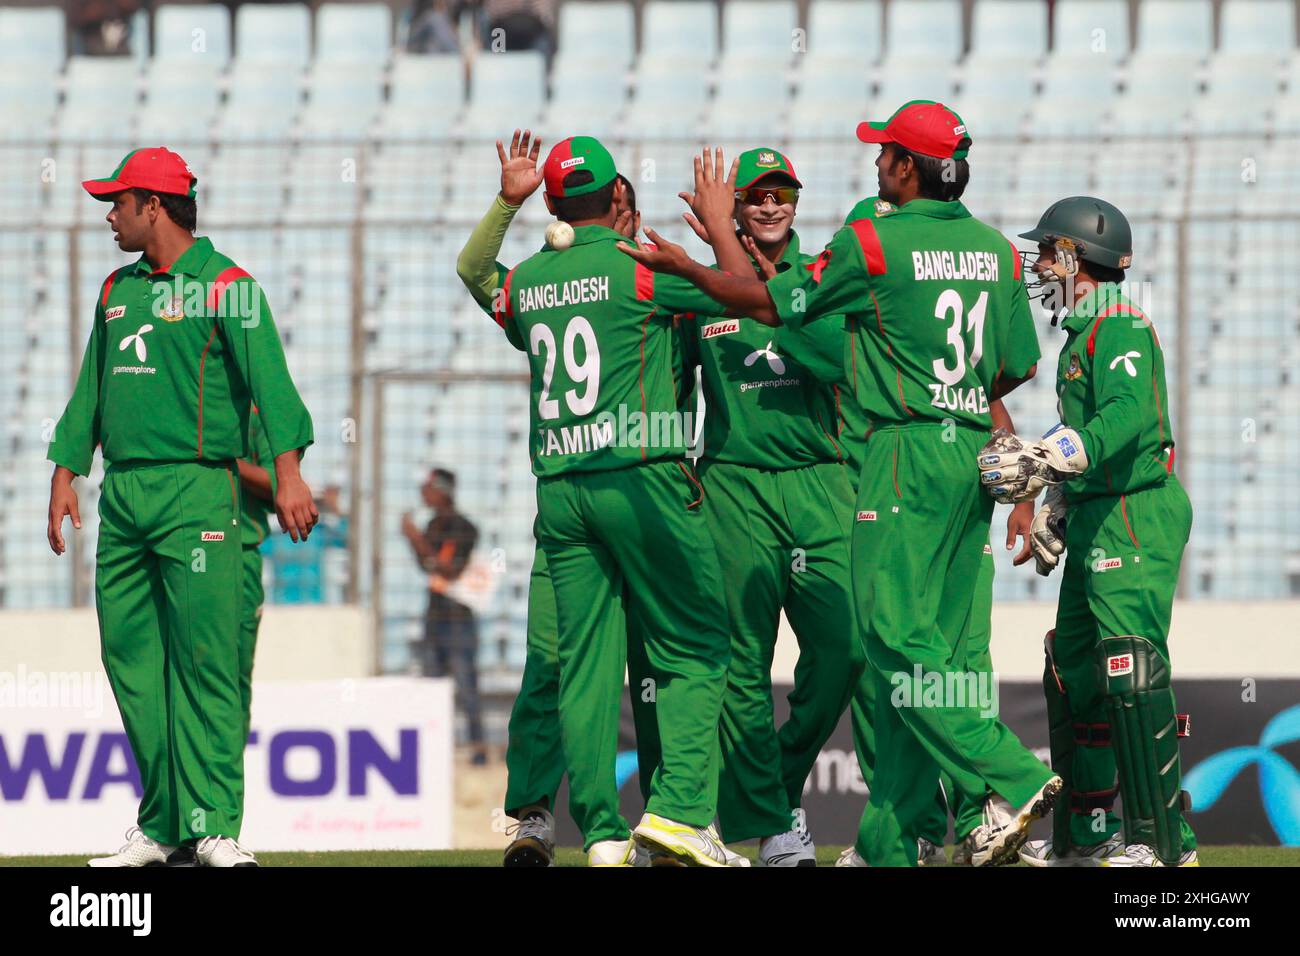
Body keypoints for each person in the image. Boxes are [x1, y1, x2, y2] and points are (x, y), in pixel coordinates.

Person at [621, 101, 1063, 867]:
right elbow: (1015, 366)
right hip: (969, 457)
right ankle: (952, 817)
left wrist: (699, 263)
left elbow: (778, 305)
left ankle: (1008, 780)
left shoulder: (870, 239)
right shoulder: (995, 249)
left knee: (888, 642)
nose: (876, 161)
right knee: (942, 650)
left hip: (896, 453)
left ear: (906, 167)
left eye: (886, 151)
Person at [47, 147, 316, 868]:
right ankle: (164, 824)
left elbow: (274, 386)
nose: (110, 214)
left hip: (200, 490)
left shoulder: (229, 287)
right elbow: (91, 391)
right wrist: (66, 470)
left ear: (154, 207)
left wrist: (288, 474)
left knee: (207, 663)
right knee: (131, 660)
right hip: (126, 497)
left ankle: (215, 827)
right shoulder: (116, 290)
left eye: (119, 201)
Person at [455, 132, 700, 866]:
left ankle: (599, 830)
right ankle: (667, 815)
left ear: (556, 201)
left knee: (573, 666)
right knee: (670, 657)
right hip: (643, 481)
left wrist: (506, 201)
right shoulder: (650, 272)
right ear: (612, 201)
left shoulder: (532, 279)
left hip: (563, 491)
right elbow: (743, 300)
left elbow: (474, 270)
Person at [979, 196, 1198, 867]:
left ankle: (1161, 843)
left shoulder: (1120, 326)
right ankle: (1085, 836)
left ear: (1076, 257)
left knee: (1128, 662)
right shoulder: (1083, 334)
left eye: (1048, 251)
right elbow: (1100, 434)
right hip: (1101, 510)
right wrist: (1062, 505)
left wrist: (1049, 459)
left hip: (1136, 510)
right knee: (1073, 670)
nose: (1040, 264)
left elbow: (1129, 417)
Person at [671, 146, 864, 865]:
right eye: (754, 195)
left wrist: (734, 261)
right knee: (740, 665)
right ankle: (776, 826)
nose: (770, 204)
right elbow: (674, 379)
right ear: (738, 206)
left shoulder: (826, 273)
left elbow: (832, 359)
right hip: (733, 486)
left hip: (820, 481)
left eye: (781, 191)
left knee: (847, 646)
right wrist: (675, 462)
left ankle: (771, 785)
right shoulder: (703, 290)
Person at [402, 468, 486, 764]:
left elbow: (448, 570)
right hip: (437, 617)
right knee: (433, 687)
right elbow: (429, 565)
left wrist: (415, 538)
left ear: (442, 490)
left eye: (428, 488)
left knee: (466, 687)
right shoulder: (435, 526)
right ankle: (435, 749)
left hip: (458, 620)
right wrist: (416, 540)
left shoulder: (462, 528)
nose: (423, 494)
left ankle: (478, 748)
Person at [234, 406, 278, 744]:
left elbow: (280, 482)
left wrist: (226, 462)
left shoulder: (255, 411)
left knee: (233, 676)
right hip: (174, 549)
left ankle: (223, 785)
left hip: (239, 554)